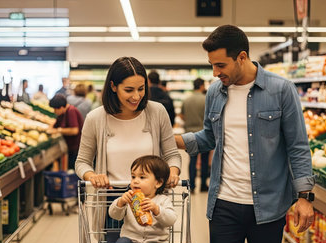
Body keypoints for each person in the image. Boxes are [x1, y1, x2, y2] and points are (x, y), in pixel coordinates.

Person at [175, 25, 315, 243]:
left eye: (220, 65)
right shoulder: (214, 92)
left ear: (242, 57)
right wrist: (172, 141)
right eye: (212, 65)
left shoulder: (281, 90)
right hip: (223, 204)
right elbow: (209, 138)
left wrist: (305, 197)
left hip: (269, 205)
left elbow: (297, 146)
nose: (215, 72)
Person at [75, 56, 181, 189]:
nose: (136, 96)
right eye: (129, 90)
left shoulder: (157, 112)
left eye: (141, 89)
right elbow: (82, 162)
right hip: (110, 198)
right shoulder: (95, 118)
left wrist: (173, 172)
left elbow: (172, 155)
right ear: (113, 86)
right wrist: (92, 176)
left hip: (149, 200)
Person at [109, 155, 177, 243]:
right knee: (121, 242)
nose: (135, 181)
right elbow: (114, 215)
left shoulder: (163, 200)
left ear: (158, 183)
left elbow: (171, 220)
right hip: (131, 242)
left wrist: (157, 210)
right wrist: (121, 203)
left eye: (142, 177)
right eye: (133, 177)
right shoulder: (129, 198)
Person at [180, 78, 209, 194]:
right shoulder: (206, 99)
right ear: (202, 86)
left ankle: (191, 186)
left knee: (192, 160)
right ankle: (203, 185)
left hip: (189, 134)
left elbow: (182, 116)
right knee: (204, 160)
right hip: (204, 133)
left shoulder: (187, 100)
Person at [49, 94, 84, 170]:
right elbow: (54, 126)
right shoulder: (62, 114)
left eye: (55, 109)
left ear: (61, 107)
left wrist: (59, 130)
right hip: (70, 147)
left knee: (73, 170)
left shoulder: (71, 111)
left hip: (76, 148)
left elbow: (75, 130)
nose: (54, 111)